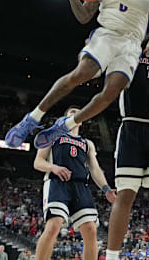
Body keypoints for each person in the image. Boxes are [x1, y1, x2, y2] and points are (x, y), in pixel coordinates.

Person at [4, 0, 149, 149]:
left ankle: (66, 125)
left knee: (111, 93)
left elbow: (145, 4)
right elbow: (84, 16)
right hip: (108, 34)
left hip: (132, 43)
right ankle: (33, 118)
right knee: (81, 74)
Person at [105, 34, 149, 260]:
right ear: (143, 48)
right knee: (125, 194)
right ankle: (111, 256)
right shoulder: (130, 60)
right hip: (132, 129)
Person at [32, 106, 116, 260]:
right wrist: (53, 167)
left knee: (91, 230)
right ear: (65, 119)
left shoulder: (87, 143)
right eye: (72, 112)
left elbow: (95, 169)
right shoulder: (53, 136)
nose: (76, 114)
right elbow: (38, 162)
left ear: (82, 121)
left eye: (79, 113)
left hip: (80, 186)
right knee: (54, 225)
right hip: (57, 183)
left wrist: (106, 189)